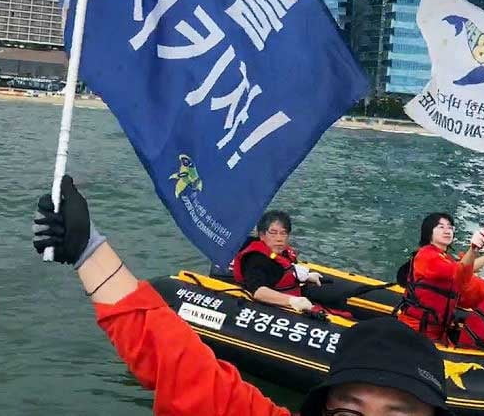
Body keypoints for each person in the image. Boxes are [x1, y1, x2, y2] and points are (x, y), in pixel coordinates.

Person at [33, 176, 452, 416]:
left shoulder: (288, 260)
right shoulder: (258, 262)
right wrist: (88, 250)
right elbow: (175, 361)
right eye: (347, 415)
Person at [395, 213, 484, 343]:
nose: (447, 230)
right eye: (441, 227)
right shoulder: (427, 256)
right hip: (416, 331)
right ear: (429, 232)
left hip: (437, 332)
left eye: (450, 227)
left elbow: (462, 288)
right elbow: (459, 272)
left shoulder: (446, 259)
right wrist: (474, 250)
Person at [231, 210, 322, 314]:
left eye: (283, 233)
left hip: (289, 291)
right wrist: (292, 301)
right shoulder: (257, 259)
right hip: (273, 306)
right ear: (262, 235)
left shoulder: (283, 253)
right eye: (273, 233)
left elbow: (286, 269)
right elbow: (258, 292)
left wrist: (306, 276)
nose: (279, 239)